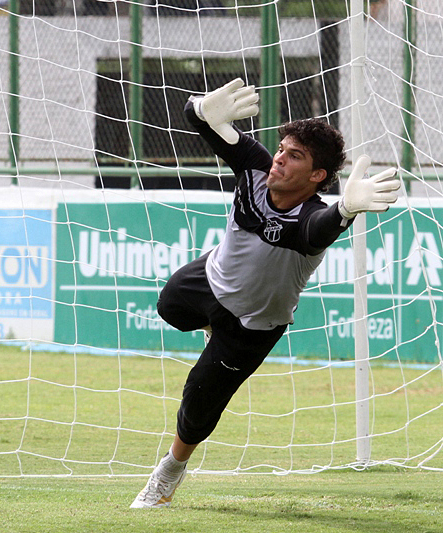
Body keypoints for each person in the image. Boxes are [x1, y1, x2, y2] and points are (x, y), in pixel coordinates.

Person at [130, 79, 401, 508]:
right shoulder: (255, 165)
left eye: (294, 156)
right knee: (168, 305)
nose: (279, 159)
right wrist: (198, 108)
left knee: (198, 404)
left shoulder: (312, 217)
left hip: (254, 323)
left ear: (317, 177)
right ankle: (208, 328)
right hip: (212, 279)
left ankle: (168, 472)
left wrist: (345, 211)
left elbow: (318, 231)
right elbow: (202, 121)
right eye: (281, 149)